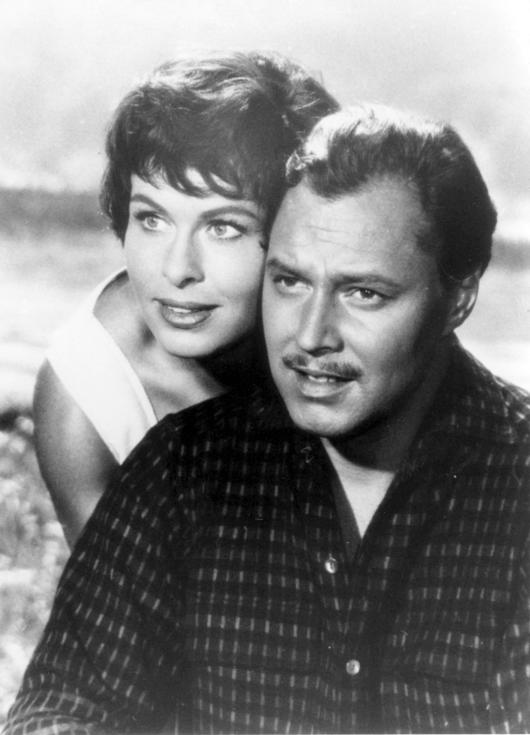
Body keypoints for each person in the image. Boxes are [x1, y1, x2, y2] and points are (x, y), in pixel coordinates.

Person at [6, 106, 530, 734]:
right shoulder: (183, 467)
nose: (310, 336)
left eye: (363, 293)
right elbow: (59, 708)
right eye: (289, 283)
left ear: (459, 297)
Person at [33, 51, 338, 546]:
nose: (177, 270)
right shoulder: (90, 393)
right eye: (152, 219)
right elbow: (114, 590)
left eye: (223, 227)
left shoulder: (346, 336)